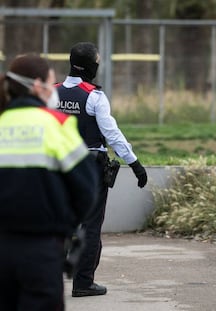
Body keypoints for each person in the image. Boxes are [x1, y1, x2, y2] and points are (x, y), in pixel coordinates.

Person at [0, 54, 97, 310]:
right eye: (51, 82)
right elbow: (87, 190)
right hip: (42, 250)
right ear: (37, 85)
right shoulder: (58, 124)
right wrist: (64, 226)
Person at [56, 41, 148, 297]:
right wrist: (135, 163)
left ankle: (49, 278)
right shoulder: (94, 96)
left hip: (58, 166)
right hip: (88, 169)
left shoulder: (52, 94)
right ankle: (83, 282)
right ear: (90, 67)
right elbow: (112, 134)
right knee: (91, 225)